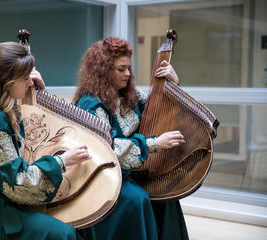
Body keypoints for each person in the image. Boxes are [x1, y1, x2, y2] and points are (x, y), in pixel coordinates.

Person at [0, 41, 94, 240]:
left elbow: (32, 136)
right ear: (6, 81)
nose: (30, 83)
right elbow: (17, 184)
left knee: (83, 221)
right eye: (25, 78)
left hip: (2, 200)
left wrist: (40, 94)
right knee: (65, 233)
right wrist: (62, 161)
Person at [73, 36, 189, 240]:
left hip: (132, 169)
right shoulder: (90, 104)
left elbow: (159, 110)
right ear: (103, 70)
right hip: (105, 175)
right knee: (138, 198)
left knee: (167, 193)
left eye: (128, 68)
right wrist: (155, 143)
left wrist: (173, 83)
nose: (127, 74)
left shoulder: (130, 95)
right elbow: (108, 149)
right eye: (121, 69)